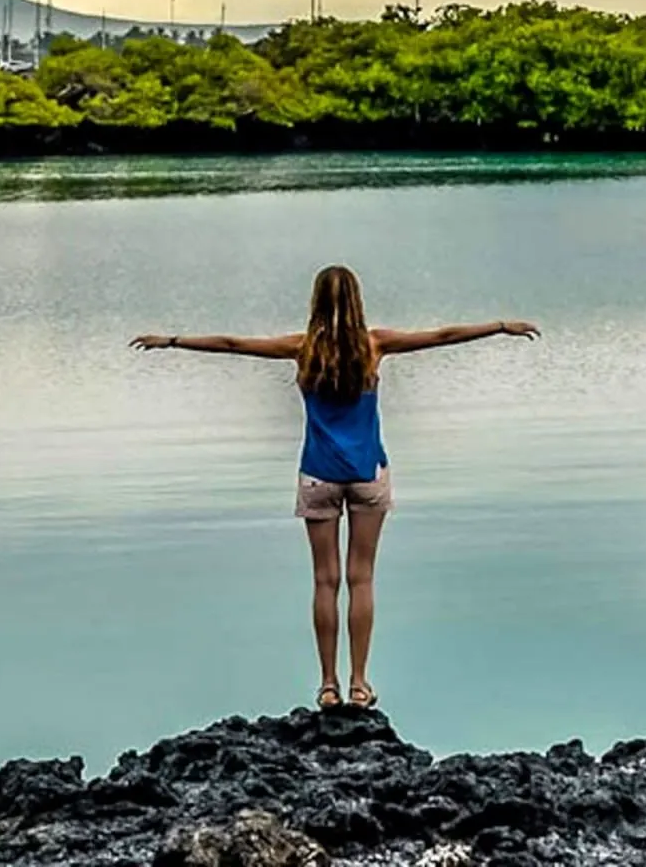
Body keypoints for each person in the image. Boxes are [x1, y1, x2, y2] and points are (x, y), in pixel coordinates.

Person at [132, 265, 538, 710]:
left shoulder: (303, 349)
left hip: (318, 475)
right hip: (367, 475)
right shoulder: (374, 345)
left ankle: (328, 686)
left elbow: (233, 345)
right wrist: (501, 327)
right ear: (358, 300)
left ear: (315, 303)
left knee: (325, 582)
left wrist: (171, 340)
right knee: (360, 579)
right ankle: (360, 684)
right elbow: (442, 336)